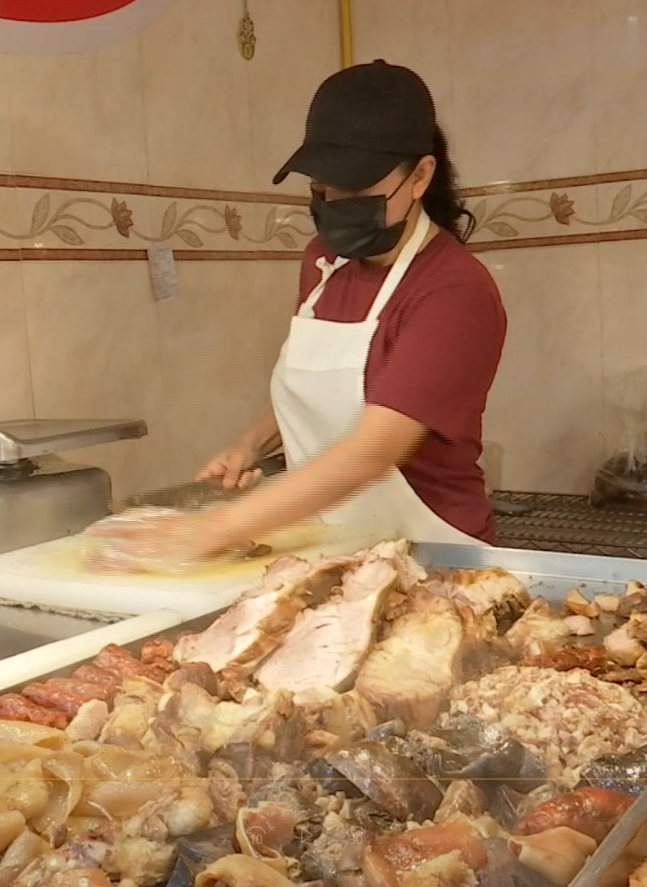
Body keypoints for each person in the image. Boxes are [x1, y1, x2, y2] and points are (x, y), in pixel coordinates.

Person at [110, 60, 507, 567]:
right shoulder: (323, 261)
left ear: (421, 176)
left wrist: (210, 530)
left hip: (436, 560)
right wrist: (251, 443)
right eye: (322, 189)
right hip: (333, 549)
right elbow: (333, 386)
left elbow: (374, 451)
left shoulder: (453, 292)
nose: (336, 204)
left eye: (358, 187)